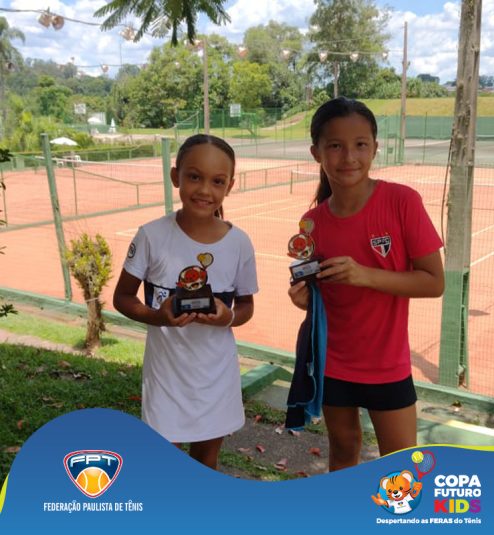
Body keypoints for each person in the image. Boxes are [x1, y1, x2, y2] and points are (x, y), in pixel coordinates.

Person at [288, 97, 444, 472]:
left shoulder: (402, 201)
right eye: (335, 146)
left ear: (375, 147)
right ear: (316, 152)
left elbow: (434, 282)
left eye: (360, 144)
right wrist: (305, 299)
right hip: (332, 363)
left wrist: (365, 275)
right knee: (343, 451)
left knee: (402, 467)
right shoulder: (312, 223)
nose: (349, 157)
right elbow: (320, 290)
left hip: (387, 365)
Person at [113, 134, 258, 470]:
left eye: (217, 181)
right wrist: (158, 317)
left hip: (216, 377)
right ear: (175, 176)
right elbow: (122, 297)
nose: (205, 190)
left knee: (206, 463)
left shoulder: (239, 243)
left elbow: (246, 306)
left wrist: (227, 317)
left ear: (229, 186)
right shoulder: (151, 235)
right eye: (194, 176)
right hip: (165, 377)